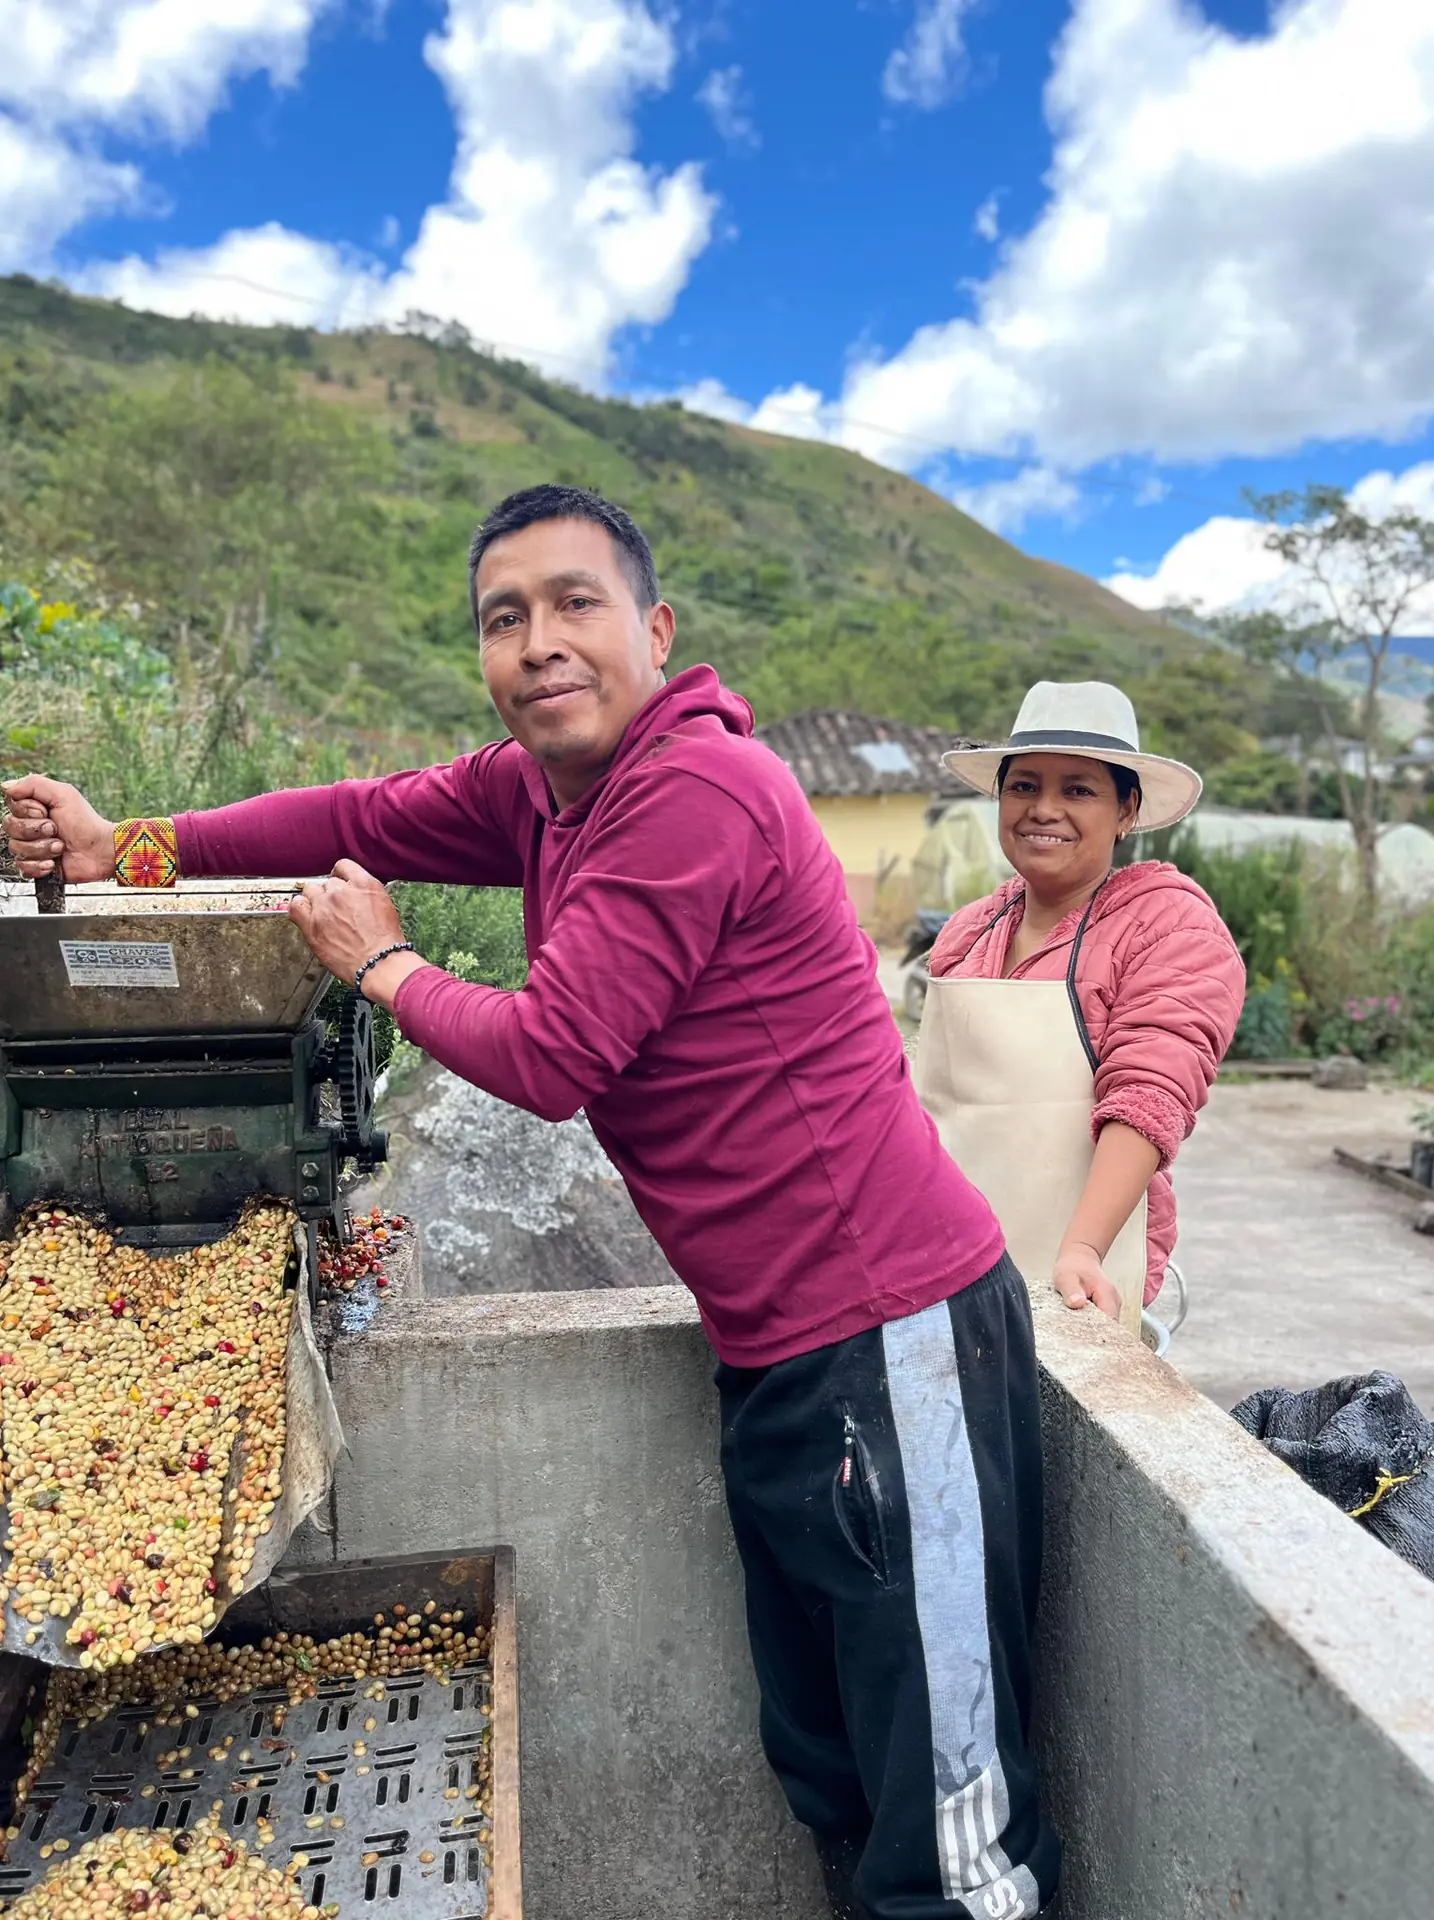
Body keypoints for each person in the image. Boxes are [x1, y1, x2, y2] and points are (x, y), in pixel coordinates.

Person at [4, 486, 1060, 1920]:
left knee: (947, 1833)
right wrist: (127, 843)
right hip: (778, 1357)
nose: (540, 644)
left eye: (576, 605)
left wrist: (382, 967)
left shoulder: (696, 790)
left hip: (893, 1337)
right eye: (506, 620)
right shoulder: (542, 791)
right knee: (824, 1762)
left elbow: (555, 1055)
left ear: (656, 630)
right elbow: (354, 813)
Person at [920, 681, 1245, 1332]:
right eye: (1024, 786)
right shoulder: (969, 932)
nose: (1044, 809)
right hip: (946, 1268)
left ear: (1127, 811)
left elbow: (1150, 1096)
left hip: (1075, 1277)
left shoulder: (1169, 927)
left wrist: (1084, 1248)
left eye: (1078, 790)